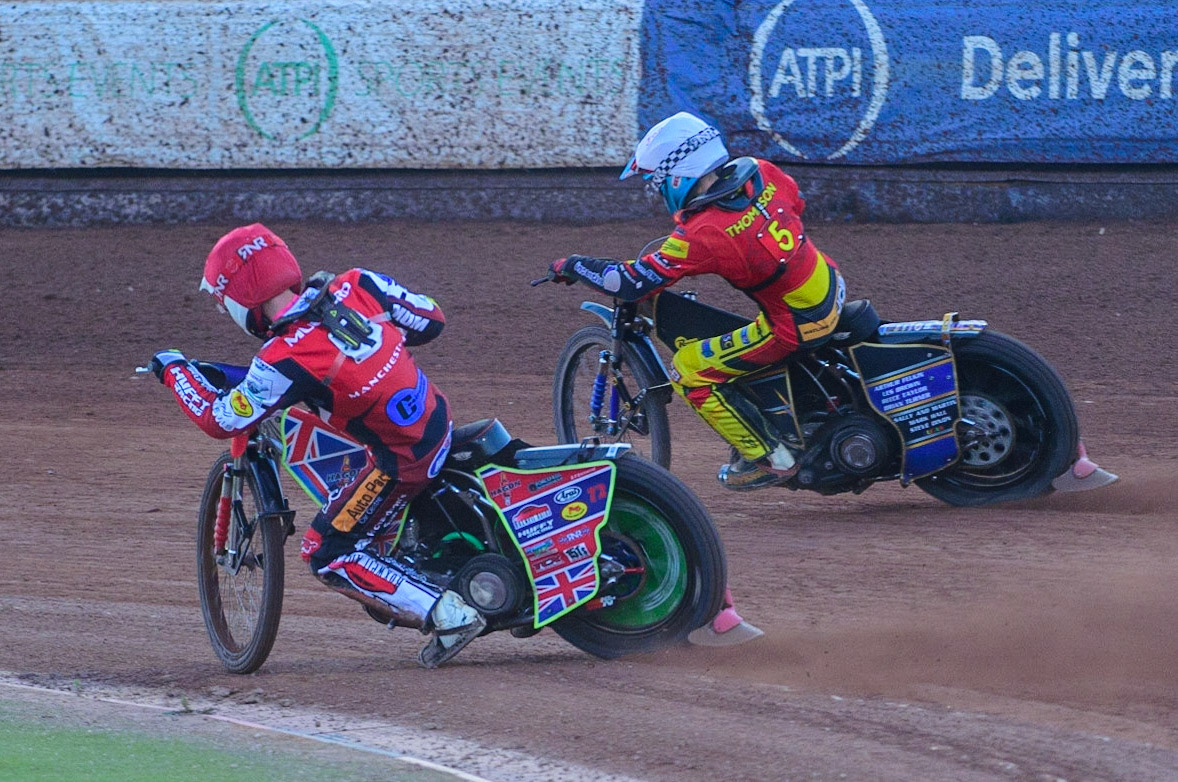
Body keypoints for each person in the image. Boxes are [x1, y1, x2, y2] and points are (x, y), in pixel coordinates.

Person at [149, 223, 485, 668]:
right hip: (437, 417)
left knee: (326, 552)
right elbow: (431, 320)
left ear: (239, 299)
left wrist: (174, 370)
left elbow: (219, 419)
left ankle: (448, 614)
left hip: (403, 460)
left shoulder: (282, 359)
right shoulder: (359, 284)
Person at [548, 111, 846, 490]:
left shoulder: (704, 231)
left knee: (690, 370)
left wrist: (573, 264)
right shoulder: (761, 172)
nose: (658, 194)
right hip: (828, 282)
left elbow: (631, 282)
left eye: (658, 184)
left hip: (796, 322)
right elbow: (797, 206)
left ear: (677, 176)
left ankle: (773, 457)